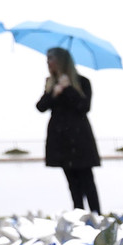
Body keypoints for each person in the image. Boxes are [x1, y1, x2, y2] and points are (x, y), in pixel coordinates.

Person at [35, 48, 102, 213]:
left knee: (87, 180)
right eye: (47, 59)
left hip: (80, 138)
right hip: (61, 139)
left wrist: (69, 88)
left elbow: (84, 106)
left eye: (51, 59)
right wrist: (54, 92)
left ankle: (96, 214)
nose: (48, 63)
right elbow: (41, 107)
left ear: (61, 61)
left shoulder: (82, 82)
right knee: (72, 182)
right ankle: (78, 214)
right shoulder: (51, 84)